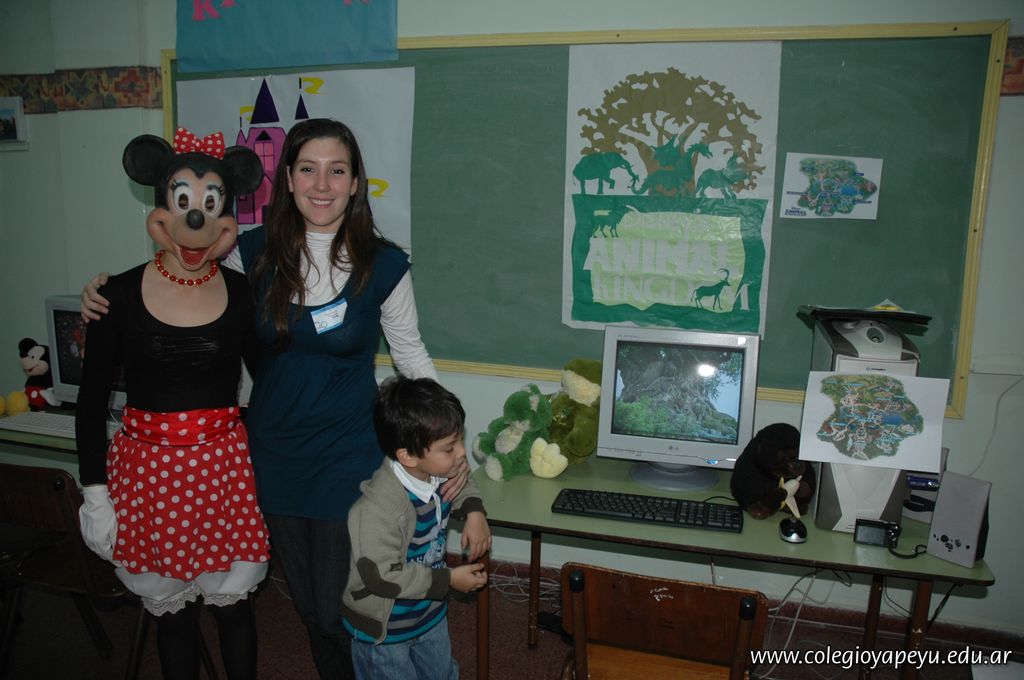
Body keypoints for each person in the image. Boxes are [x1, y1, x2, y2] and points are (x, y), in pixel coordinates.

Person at [81, 118, 469, 680]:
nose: (322, 184)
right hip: (272, 455)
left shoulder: (384, 264)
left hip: (348, 455)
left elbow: (412, 356)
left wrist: (453, 443)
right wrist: (105, 291)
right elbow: (181, 273)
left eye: (337, 171)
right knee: (308, 607)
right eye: (308, 169)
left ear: (355, 183)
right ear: (287, 178)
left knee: (339, 608)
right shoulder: (251, 251)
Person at [77, 130, 270, 680]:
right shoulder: (114, 295)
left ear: (227, 213)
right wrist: (95, 494)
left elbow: (270, 383)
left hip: (222, 475)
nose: (195, 218)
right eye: (182, 200)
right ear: (160, 202)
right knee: (174, 618)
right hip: (148, 480)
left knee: (234, 611)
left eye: (210, 203)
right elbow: (90, 404)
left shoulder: (242, 294)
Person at [342, 377, 490, 679]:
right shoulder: (375, 510)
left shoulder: (440, 470)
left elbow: (463, 482)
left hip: (429, 614)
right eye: (449, 448)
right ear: (407, 456)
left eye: (459, 440)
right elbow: (383, 576)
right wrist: (449, 580)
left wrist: (474, 512)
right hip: (385, 633)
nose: (461, 453)